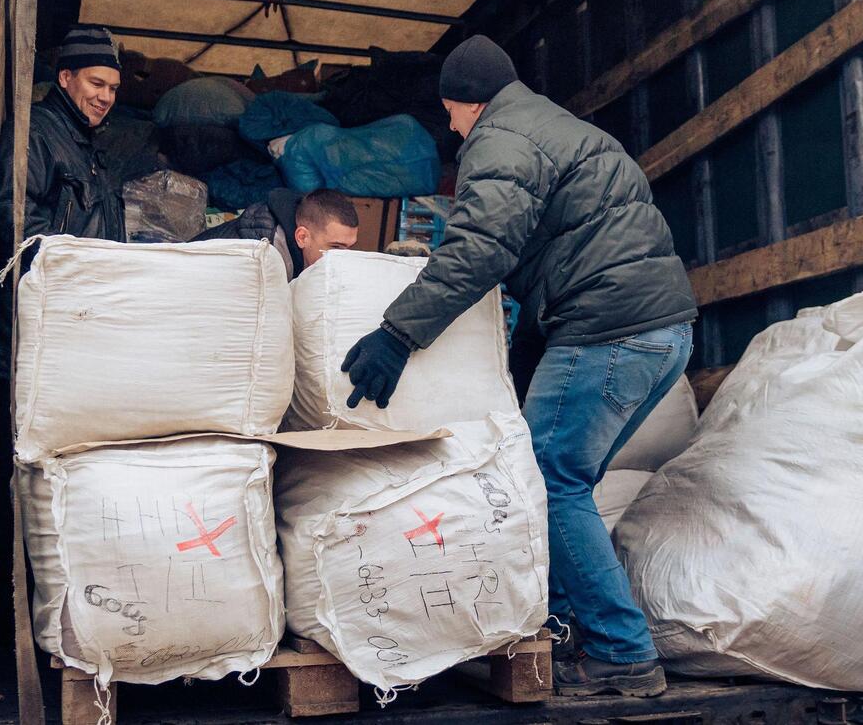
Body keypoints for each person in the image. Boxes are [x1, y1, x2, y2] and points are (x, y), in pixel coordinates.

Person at [340, 34, 698, 697]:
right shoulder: (559, 129)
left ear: (466, 102)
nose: (450, 128)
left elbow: (481, 247)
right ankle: (560, 626)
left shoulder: (500, 139)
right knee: (565, 480)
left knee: (548, 477)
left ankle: (622, 652)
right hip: (664, 331)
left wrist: (397, 334)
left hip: (610, 330)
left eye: (449, 113)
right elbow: (566, 243)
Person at [0, 24, 127, 641]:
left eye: (114, 87)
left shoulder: (86, 146)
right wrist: (81, 274)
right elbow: (9, 222)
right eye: (96, 83)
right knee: (13, 483)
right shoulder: (39, 134)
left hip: (70, 340)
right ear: (65, 78)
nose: (106, 96)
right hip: (30, 344)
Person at [197, 187, 358, 279]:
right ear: (302, 237)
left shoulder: (289, 239)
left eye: (349, 248)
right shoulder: (263, 259)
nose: (345, 257)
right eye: (336, 247)